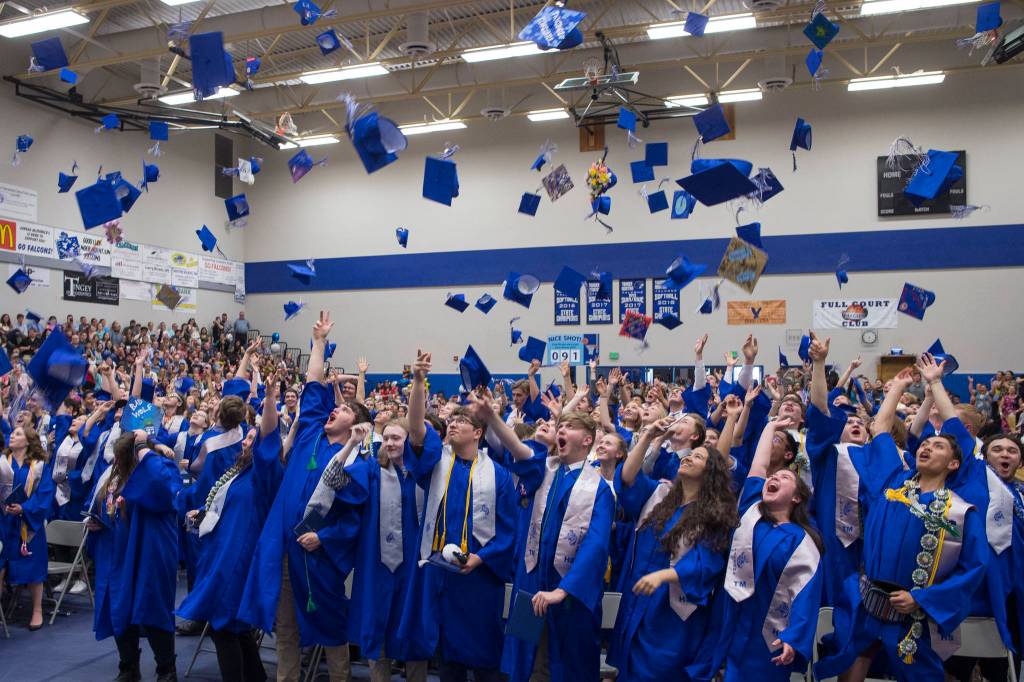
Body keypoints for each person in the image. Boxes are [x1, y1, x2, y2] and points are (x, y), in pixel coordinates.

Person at [816, 360, 990, 682]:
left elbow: (974, 568)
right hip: (865, 604)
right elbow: (880, 430)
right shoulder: (892, 481)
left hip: (914, 614)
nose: (926, 446)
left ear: (953, 464)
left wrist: (921, 598)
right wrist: (896, 387)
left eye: (937, 445)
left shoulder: (960, 509)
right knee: (849, 672)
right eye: (925, 443)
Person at [238, 311, 372, 682]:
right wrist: (317, 342)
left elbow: (352, 519)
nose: (335, 408)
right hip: (284, 548)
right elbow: (313, 384)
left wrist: (324, 538)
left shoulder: (356, 462)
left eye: (344, 408)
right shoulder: (311, 431)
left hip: (318, 554)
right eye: (336, 405)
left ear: (358, 423)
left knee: (330, 628)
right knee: (286, 631)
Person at [398, 370, 517, 682]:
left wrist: (481, 558)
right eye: (450, 422)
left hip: (478, 578)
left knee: (485, 658)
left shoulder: (498, 475)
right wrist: (419, 382)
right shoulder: (437, 464)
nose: (451, 424)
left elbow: (507, 531)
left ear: (478, 432)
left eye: (460, 422)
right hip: (441, 575)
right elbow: (415, 431)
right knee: (448, 660)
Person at [485, 405, 614, 682]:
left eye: (570, 427)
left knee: (565, 665)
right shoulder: (544, 471)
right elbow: (520, 451)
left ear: (588, 439)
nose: (562, 430)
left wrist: (564, 590)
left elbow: (596, 545)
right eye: (561, 426)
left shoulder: (600, 489)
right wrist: (492, 417)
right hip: (529, 581)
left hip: (570, 591)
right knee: (524, 662)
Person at [607, 415, 738, 682]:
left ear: (710, 473)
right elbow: (628, 478)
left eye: (698, 458)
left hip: (673, 615)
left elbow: (706, 563)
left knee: (661, 672)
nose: (687, 458)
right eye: (689, 456)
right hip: (639, 603)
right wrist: (649, 436)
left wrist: (663, 576)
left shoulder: (714, 514)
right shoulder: (660, 496)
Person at [695, 414, 823, 682]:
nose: (772, 478)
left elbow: (805, 593)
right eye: (771, 478)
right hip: (730, 614)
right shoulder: (752, 510)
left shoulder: (802, 541)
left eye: (785, 478)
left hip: (766, 629)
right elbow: (759, 465)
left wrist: (793, 637)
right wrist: (771, 427)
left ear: (797, 497)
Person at [176, 373, 286, 682]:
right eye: (248, 437)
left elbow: (267, 433)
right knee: (234, 628)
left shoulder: (266, 473)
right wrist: (205, 511)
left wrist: (268, 399)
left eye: (255, 439)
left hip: (238, 559)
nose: (248, 440)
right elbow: (225, 504)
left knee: (223, 626)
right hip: (221, 553)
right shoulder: (238, 472)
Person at [349, 351, 439, 682]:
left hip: (414, 566)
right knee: (376, 628)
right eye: (385, 438)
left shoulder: (425, 472)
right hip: (377, 566)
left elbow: (418, 429)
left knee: (412, 629)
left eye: (395, 437)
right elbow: (337, 483)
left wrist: (417, 381)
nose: (389, 442)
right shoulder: (371, 471)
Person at [85, 429, 182, 682]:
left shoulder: (161, 469)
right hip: (117, 554)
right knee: (120, 609)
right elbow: (106, 508)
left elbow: (161, 491)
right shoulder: (114, 478)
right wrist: (99, 522)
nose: (115, 461)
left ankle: (166, 669)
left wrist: (144, 447)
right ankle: (128, 666)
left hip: (149, 553)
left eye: (121, 456)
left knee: (153, 609)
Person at [0, 424, 55, 631]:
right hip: (3, 521)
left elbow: (45, 494)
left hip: (27, 525)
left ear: (28, 441)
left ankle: (37, 610)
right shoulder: (2, 463)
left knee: (33, 564)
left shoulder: (40, 467)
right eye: (12, 433)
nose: (12, 436)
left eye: (17, 434)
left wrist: (24, 508)